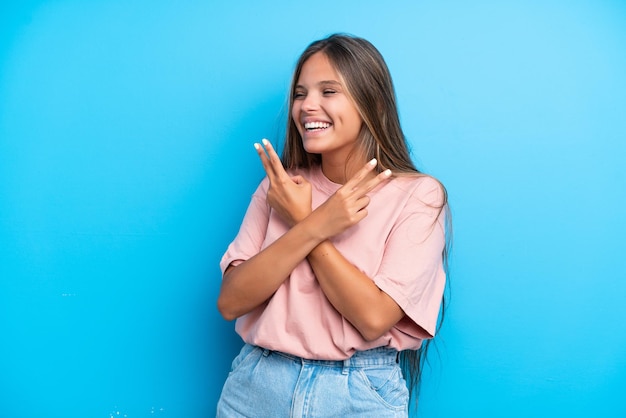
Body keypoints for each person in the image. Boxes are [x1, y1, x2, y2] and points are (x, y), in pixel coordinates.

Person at [216, 33, 450, 417]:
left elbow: (373, 318)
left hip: (358, 394)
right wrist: (313, 225)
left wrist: (307, 223)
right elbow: (231, 301)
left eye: (328, 91)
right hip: (256, 388)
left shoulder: (418, 196)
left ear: (370, 101)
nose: (308, 106)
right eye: (300, 94)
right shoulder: (279, 187)